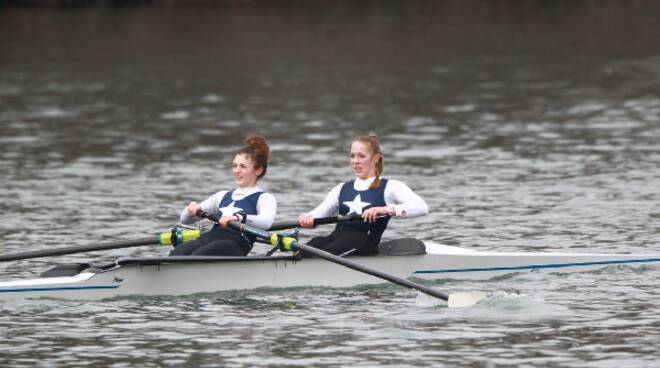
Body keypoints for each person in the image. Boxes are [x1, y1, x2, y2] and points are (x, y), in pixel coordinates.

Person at [298, 134, 428, 256]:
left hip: (363, 243)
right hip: (337, 239)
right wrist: (308, 218)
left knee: (335, 248)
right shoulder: (341, 188)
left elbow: (421, 207)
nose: (355, 161)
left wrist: (385, 209)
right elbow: (321, 212)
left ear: (376, 158)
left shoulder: (390, 187)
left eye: (361, 156)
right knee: (312, 245)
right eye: (352, 156)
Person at [171, 135, 277, 256]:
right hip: (211, 237)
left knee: (197, 256)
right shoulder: (221, 196)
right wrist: (190, 210)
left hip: (235, 243)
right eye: (235, 165)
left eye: (243, 166)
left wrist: (238, 218)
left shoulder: (264, 198)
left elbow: (266, 223)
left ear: (258, 170)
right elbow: (185, 220)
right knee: (178, 252)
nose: (237, 170)